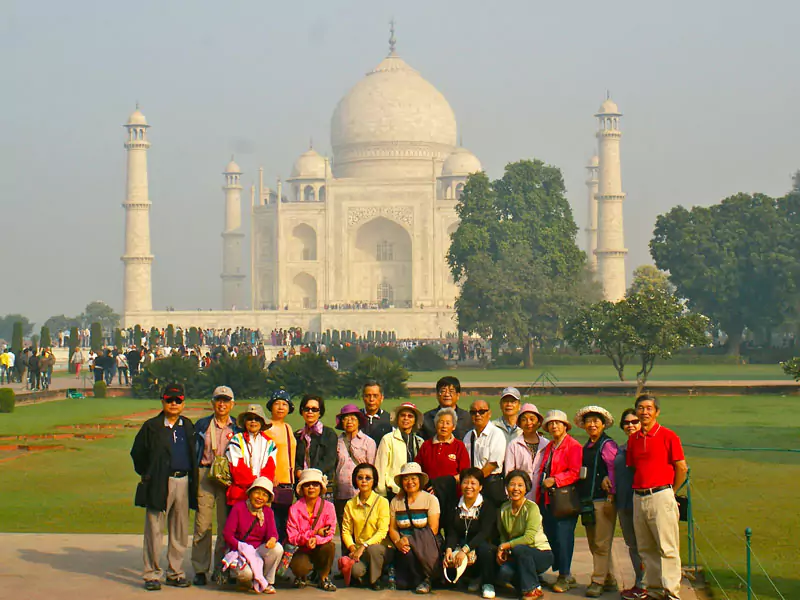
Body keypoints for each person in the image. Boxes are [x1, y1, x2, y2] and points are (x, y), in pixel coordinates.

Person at [130, 383, 198, 590]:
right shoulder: (152, 426)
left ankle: (175, 572)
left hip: (183, 480)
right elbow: (137, 453)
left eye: (178, 400)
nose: (174, 404)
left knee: (179, 530)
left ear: (183, 403)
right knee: (154, 529)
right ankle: (151, 573)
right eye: (170, 400)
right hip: (160, 481)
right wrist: (149, 473)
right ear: (163, 401)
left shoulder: (187, 425)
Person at [627, 394, 688, 600]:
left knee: (667, 547)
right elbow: (634, 467)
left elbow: (681, 467)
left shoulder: (668, 436)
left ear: (656, 412)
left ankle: (671, 593)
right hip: (639, 496)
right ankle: (653, 590)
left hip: (661, 495)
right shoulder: (633, 439)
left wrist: (671, 490)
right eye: (641, 408)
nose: (644, 412)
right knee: (646, 548)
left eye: (649, 408)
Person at [192, 385, 241, 587]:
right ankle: (200, 569)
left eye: (226, 400)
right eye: (218, 400)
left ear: (232, 404)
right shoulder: (202, 425)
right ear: (212, 403)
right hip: (205, 474)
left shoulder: (237, 427)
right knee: (202, 524)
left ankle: (221, 567)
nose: (222, 404)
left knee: (225, 525)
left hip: (227, 478)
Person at [479, 470, 553, 600]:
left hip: (540, 554)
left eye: (520, 485)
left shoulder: (532, 508)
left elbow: (529, 538)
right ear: (506, 487)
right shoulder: (504, 508)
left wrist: (505, 546)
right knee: (504, 572)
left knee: (520, 549)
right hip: (518, 554)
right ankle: (532, 585)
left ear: (526, 488)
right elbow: (503, 535)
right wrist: (503, 550)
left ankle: (532, 590)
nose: (516, 489)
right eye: (512, 484)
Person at [574, 405, 619, 597]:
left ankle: (597, 580)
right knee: (595, 542)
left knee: (601, 542)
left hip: (603, 499)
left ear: (603, 425)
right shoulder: (589, 445)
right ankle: (609, 578)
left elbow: (614, 470)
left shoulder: (607, 445)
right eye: (588, 421)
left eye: (595, 421)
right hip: (589, 500)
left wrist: (611, 495)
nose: (592, 425)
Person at [538, 409, 582, 594]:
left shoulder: (573, 446)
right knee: (552, 536)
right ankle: (563, 572)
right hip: (548, 499)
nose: (554, 426)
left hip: (564, 499)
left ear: (565, 426)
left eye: (558, 423)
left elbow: (575, 472)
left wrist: (555, 480)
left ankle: (564, 575)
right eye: (551, 423)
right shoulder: (550, 446)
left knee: (564, 538)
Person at [222, 477, 283, 594]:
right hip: (238, 550)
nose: (260, 497)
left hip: (257, 550)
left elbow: (273, 533)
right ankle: (246, 580)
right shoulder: (239, 508)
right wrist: (242, 547)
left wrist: (272, 539)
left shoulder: (268, 512)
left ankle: (266, 581)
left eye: (264, 495)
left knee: (277, 549)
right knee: (246, 574)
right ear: (250, 493)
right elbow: (228, 535)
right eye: (257, 493)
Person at [387, 462, 441, 594]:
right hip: (403, 543)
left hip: (425, 541)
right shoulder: (396, 501)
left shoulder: (431, 500)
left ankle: (426, 580)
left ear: (420, 480)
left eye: (413, 478)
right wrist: (398, 542)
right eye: (406, 479)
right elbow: (393, 528)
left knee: (413, 554)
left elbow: (433, 529)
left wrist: (410, 540)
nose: (410, 482)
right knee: (405, 554)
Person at [443, 468, 498, 593]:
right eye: (465, 482)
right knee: (446, 550)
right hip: (461, 542)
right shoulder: (454, 504)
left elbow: (485, 532)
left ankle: (487, 583)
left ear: (480, 487)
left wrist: (465, 550)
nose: (469, 486)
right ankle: (467, 578)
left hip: (480, 543)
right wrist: (449, 549)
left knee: (486, 549)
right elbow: (452, 530)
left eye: (473, 483)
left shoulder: (488, 506)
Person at [287, 468, 338, 592]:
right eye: (307, 485)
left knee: (330, 546)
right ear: (302, 488)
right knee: (300, 567)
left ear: (320, 487)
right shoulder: (294, 509)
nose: (311, 488)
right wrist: (309, 537)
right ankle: (301, 576)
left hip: (320, 546)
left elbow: (330, 533)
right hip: (302, 548)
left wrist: (315, 539)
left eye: (315, 484)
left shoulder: (328, 507)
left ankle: (323, 577)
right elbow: (292, 537)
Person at [341, 463, 390, 589]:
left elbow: (382, 531)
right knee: (356, 571)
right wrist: (352, 549)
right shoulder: (350, 504)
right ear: (355, 480)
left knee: (373, 550)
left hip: (380, 549)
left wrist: (364, 546)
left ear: (374, 481)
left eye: (368, 478)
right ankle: (367, 574)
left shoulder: (382, 502)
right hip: (359, 551)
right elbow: (346, 531)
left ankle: (376, 580)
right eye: (360, 477)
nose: (364, 481)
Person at [414, 407, 470, 517]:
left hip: (452, 496)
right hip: (429, 495)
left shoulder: (459, 446)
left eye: (448, 423)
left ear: (453, 427)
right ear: (436, 425)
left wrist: (440, 486)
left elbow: (464, 474)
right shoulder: (426, 445)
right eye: (441, 422)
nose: (444, 426)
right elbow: (418, 469)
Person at [616, 409, 647, 600]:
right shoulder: (620, 450)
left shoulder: (646, 446)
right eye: (626, 423)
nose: (631, 425)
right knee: (632, 545)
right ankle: (640, 583)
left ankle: (650, 584)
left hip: (642, 501)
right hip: (624, 503)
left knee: (647, 545)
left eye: (634, 421)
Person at [334, 404, 377, 527]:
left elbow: (372, 468)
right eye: (345, 418)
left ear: (359, 421)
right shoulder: (337, 442)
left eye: (353, 418)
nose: (349, 422)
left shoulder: (368, 442)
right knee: (344, 530)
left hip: (361, 493)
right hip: (341, 494)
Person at [226, 404, 278, 506]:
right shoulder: (236, 440)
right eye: (250, 419)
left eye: (257, 419)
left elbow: (270, 468)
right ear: (245, 422)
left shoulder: (270, 443)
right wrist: (253, 487)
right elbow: (237, 468)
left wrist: (260, 488)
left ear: (262, 422)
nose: (253, 421)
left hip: (262, 495)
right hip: (240, 495)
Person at [375, 402, 424, 499]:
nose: (406, 418)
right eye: (403, 415)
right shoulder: (388, 439)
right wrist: (381, 493)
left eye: (410, 416)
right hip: (393, 491)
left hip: (414, 491)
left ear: (415, 421)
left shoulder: (419, 442)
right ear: (397, 419)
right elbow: (380, 467)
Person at [463, 399, 507, 507]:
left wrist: (476, 481)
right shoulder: (468, 436)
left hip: (491, 484)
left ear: (489, 413)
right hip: (473, 486)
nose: (478, 415)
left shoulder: (497, 434)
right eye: (474, 412)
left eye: (482, 411)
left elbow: (493, 464)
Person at [294, 395, 338, 497]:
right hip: (303, 487)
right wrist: (298, 471)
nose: (310, 412)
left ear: (320, 413)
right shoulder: (297, 435)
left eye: (314, 409)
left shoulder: (328, 434)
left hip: (323, 486)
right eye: (307, 409)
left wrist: (311, 475)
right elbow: (293, 459)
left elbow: (329, 460)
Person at [504, 403, 549, 503]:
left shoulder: (546, 444)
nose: (528, 423)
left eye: (532, 419)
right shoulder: (514, 444)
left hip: (542, 494)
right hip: (520, 495)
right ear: (519, 423)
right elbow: (509, 471)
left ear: (538, 422)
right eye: (524, 419)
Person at [266, 389, 296, 537]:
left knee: (286, 525)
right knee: (274, 524)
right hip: (274, 482)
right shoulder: (266, 428)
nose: (280, 407)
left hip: (288, 482)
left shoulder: (288, 427)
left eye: (284, 404)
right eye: (277, 403)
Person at [421, 377, 471, 441]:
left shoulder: (467, 418)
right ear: (437, 395)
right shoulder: (426, 418)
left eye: (451, 391)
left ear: (458, 395)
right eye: (443, 391)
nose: (447, 394)